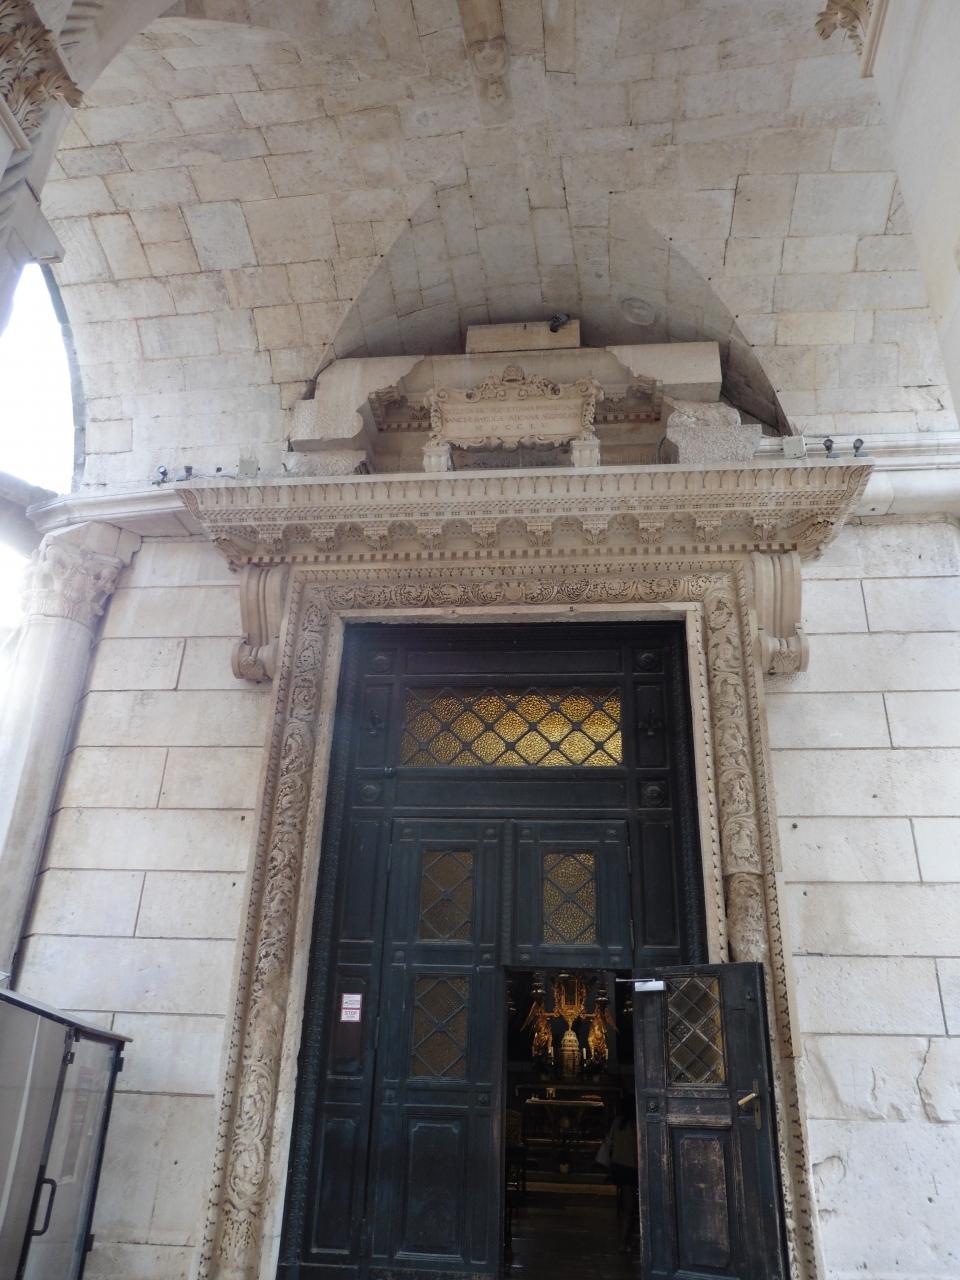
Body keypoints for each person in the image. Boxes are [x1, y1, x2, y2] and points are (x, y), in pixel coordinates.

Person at [607, 1094, 639, 1252]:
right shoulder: (634, 1124)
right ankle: (623, 1241)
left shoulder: (617, 1122)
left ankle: (627, 1239)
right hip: (630, 1168)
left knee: (626, 1205)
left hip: (618, 1166)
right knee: (629, 1207)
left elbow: (610, 1142)